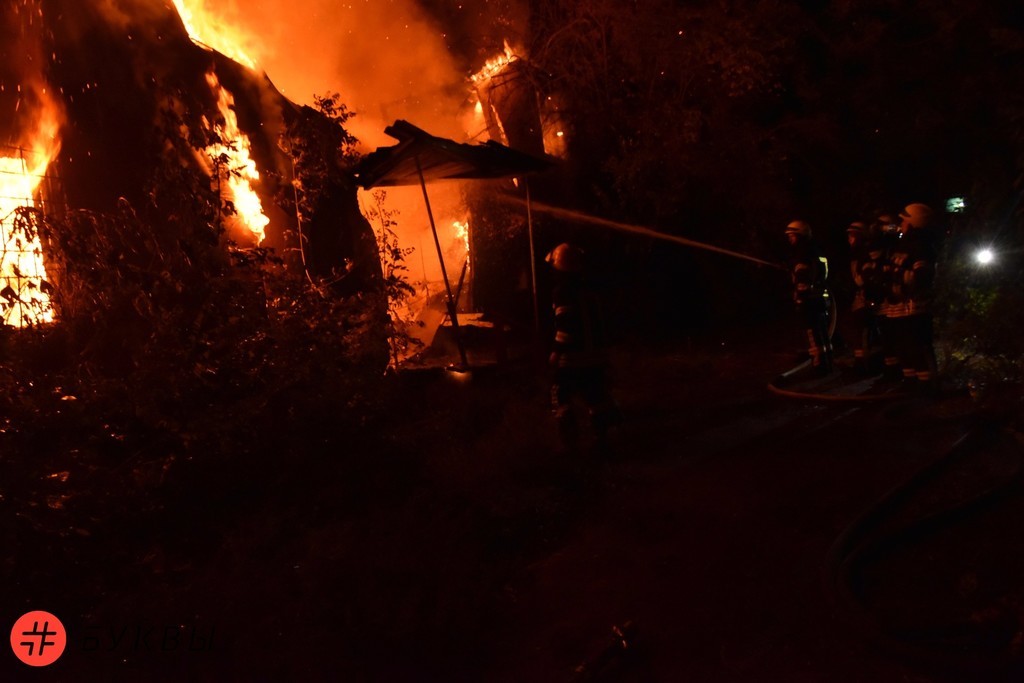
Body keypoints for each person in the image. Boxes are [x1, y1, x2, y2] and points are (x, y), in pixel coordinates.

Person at [546, 242, 617, 452]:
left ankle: (570, 446)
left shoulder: (563, 292)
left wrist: (555, 353)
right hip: (596, 356)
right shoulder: (591, 290)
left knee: (560, 397)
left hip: (573, 358)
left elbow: (566, 328)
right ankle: (602, 441)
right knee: (596, 399)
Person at [882, 203, 939, 392]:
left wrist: (902, 275)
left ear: (913, 223)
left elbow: (922, 276)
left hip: (915, 307)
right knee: (903, 346)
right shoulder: (902, 244)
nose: (900, 224)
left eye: (904, 221)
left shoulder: (921, 246)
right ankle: (911, 380)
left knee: (918, 345)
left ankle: (927, 384)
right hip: (898, 307)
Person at [785, 220, 833, 376]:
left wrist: (800, 297)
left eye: (792, 236)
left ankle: (818, 365)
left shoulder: (803, 252)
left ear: (800, 235)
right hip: (820, 297)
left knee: (812, 333)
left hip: (810, 299)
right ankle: (827, 362)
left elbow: (803, 277)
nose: (790, 239)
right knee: (822, 332)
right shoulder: (815, 250)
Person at [844, 220, 885, 374]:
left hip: (866, 298)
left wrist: (863, 290)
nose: (849, 238)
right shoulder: (855, 253)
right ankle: (862, 362)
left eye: (852, 235)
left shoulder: (866, 253)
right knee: (857, 329)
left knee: (864, 331)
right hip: (860, 297)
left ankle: (865, 365)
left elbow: (867, 276)